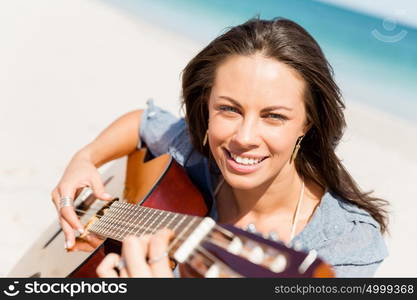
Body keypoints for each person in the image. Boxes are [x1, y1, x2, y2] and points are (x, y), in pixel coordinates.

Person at [51, 17, 389, 278]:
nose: (244, 137)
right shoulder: (197, 156)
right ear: (206, 105)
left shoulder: (345, 244)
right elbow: (142, 122)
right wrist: (84, 159)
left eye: (273, 116)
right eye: (229, 109)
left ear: (308, 123)